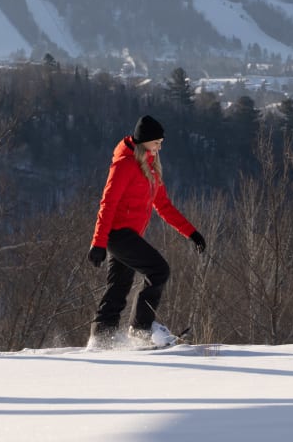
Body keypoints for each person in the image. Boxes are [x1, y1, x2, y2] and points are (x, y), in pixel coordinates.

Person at [87, 115, 206, 348]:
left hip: (129, 235)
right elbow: (107, 203)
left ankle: (102, 337)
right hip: (118, 234)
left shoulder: (150, 166)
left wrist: (192, 233)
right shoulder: (124, 165)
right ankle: (140, 328)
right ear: (144, 141)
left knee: (119, 286)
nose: (160, 146)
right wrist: (98, 243)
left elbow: (163, 206)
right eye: (157, 142)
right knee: (158, 269)